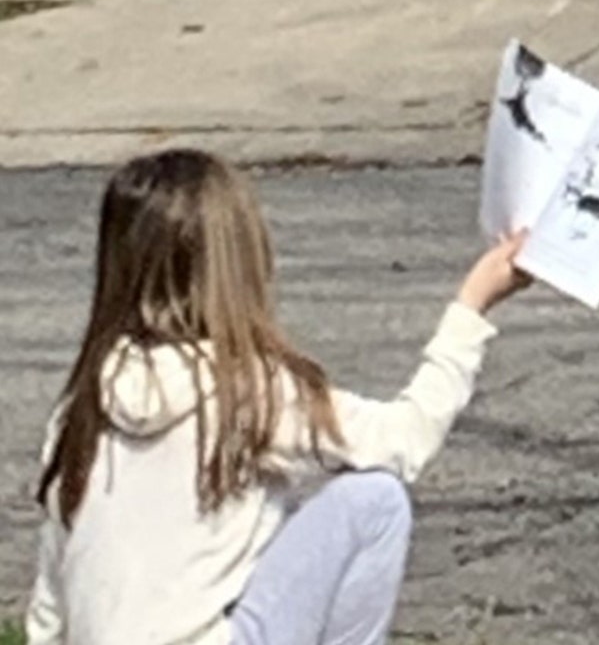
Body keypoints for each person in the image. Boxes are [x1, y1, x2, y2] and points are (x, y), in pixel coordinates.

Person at [24, 149, 530, 645]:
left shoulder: (80, 409)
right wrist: (473, 306)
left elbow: (53, 593)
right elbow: (404, 440)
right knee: (375, 500)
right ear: (242, 262)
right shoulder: (248, 389)